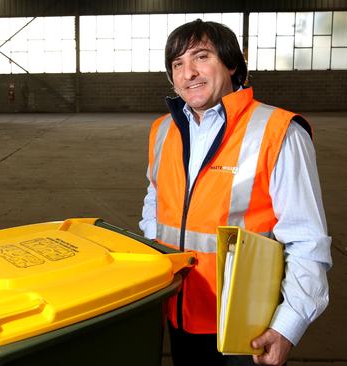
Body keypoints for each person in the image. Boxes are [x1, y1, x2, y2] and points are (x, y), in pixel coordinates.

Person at [139, 19, 332, 366]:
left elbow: (307, 240)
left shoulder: (279, 132)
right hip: (177, 311)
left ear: (231, 64)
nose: (188, 73)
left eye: (201, 57)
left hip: (244, 325)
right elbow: (155, 201)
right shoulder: (162, 130)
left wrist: (288, 326)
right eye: (177, 64)